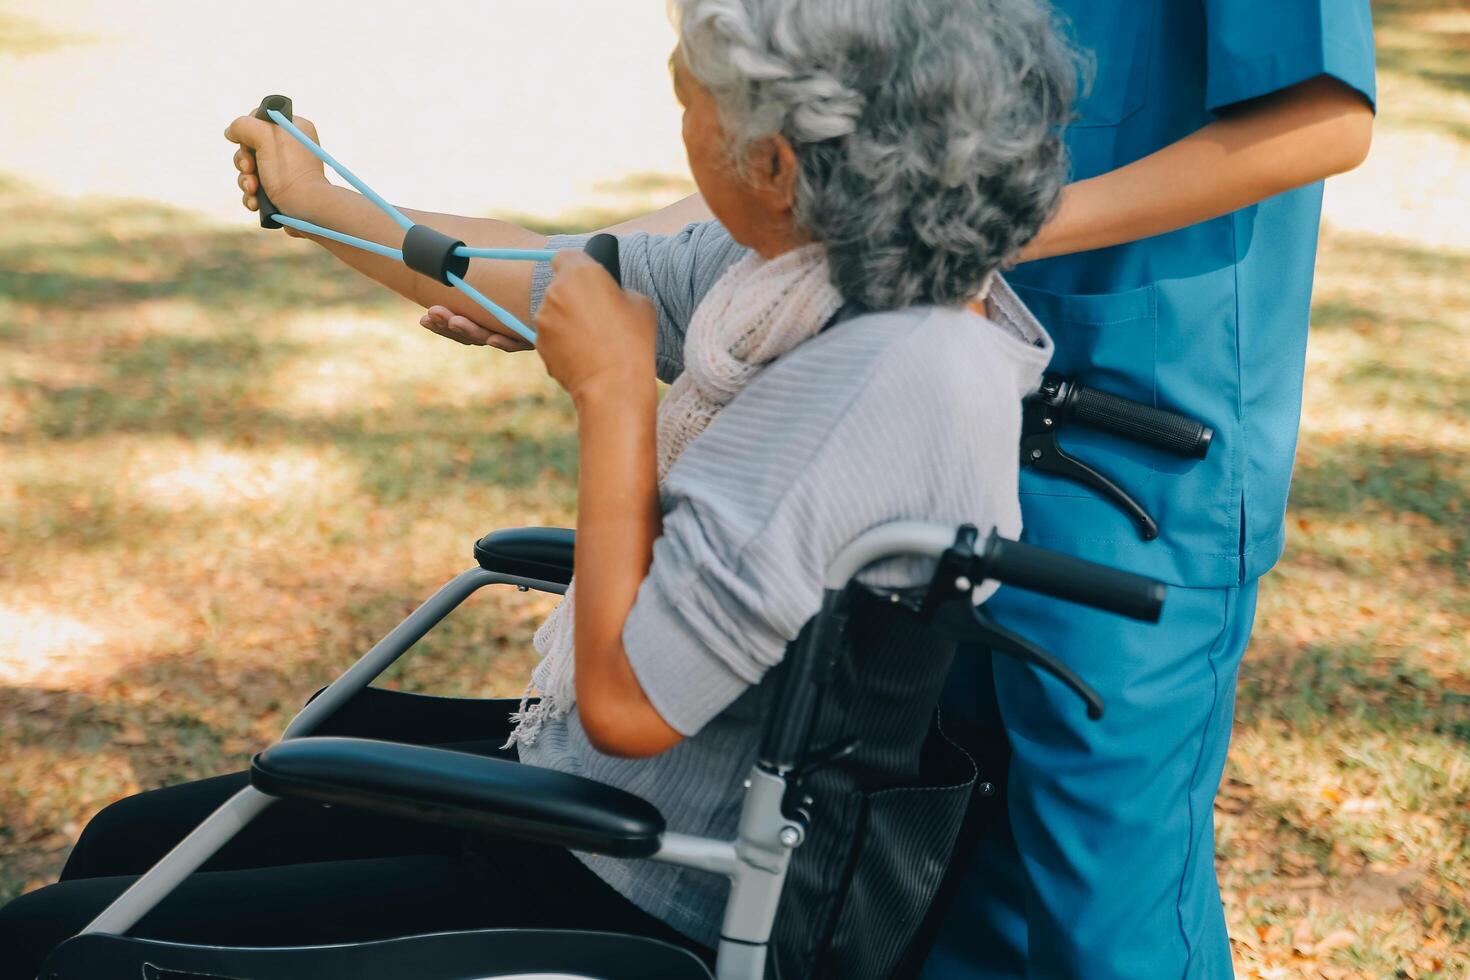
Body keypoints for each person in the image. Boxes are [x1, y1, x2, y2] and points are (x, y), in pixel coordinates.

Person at [0, 0, 1079, 975]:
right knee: (123, 846)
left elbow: (623, 705)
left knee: (58, 949)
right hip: (594, 809)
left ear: (778, 162)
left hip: (653, 884)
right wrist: (318, 202)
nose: (686, 130)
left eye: (691, 105)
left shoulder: (867, 389)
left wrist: (613, 393)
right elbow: (545, 273)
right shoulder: (825, 278)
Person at [418, 5, 1380, 978]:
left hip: (1124, 459)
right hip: (915, 382)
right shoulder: (819, 290)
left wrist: (973, 223)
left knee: (1102, 903)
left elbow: (1327, 116)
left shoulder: (925, 330)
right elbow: (828, 101)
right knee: (929, 871)